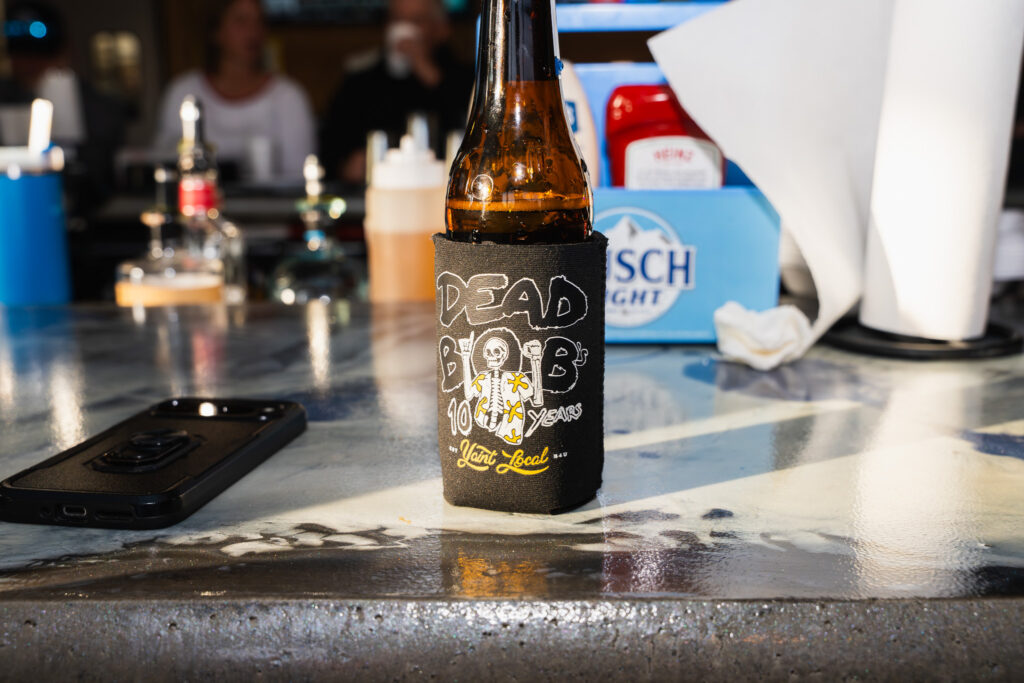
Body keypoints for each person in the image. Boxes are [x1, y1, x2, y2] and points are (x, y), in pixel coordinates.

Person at [153, 0, 314, 181]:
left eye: (259, 21)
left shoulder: (289, 96)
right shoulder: (183, 93)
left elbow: (299, 176)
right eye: (241, 21)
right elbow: (164, 163)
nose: (253, 31)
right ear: (216, 30)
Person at [319, 0, 473, 185]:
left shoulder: (467, 80)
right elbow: (329, 148)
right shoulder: (359, 83)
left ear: (441, 29)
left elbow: (470, 128)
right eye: (396, 19)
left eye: (416, 20)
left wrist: (425, 69)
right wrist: (345, 166)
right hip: (371, 193)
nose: (403, 28)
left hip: (441, 193)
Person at [0, 1, 126, 214]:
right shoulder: (5, 96)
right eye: (21, 54)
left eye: (41, 55)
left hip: (83, 213)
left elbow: (102, 178)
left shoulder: (97, 106)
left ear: (63, 52)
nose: (31, 64)